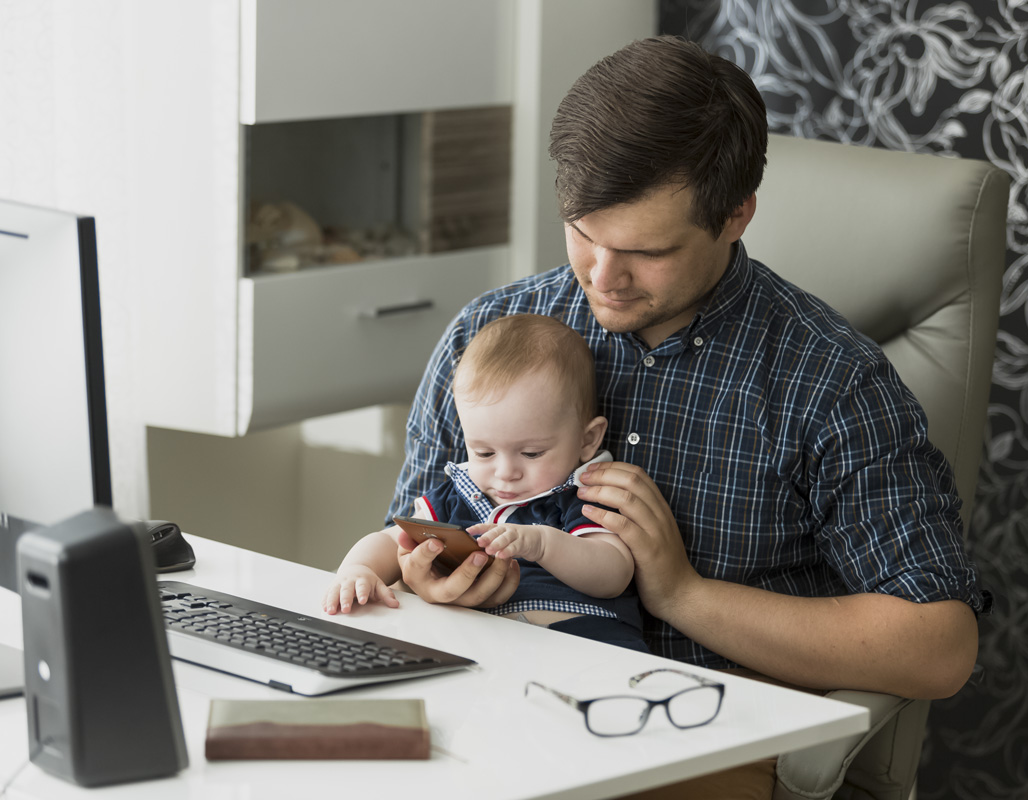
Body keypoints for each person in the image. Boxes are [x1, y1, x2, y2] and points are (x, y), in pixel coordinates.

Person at [386, 35, 988, 797]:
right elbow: (406, 537)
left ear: (736, 216)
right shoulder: (488, 336)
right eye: (583, 233)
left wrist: (682, 592)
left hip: (701, 736)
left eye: (647, 251)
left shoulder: (831, 381)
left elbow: (938, 647)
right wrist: (431, 579)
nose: (603, 277)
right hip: (494, 710)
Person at [323, 314, 646, 652]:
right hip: (480, 643)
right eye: (484, 452)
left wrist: (542, 544)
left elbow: (613, 573)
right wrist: (359, 569)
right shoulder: (458, 494)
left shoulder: (586, 493)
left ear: (587, 440)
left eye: (532, 453)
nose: (505, 472)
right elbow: (393, 540)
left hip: (584, 639)